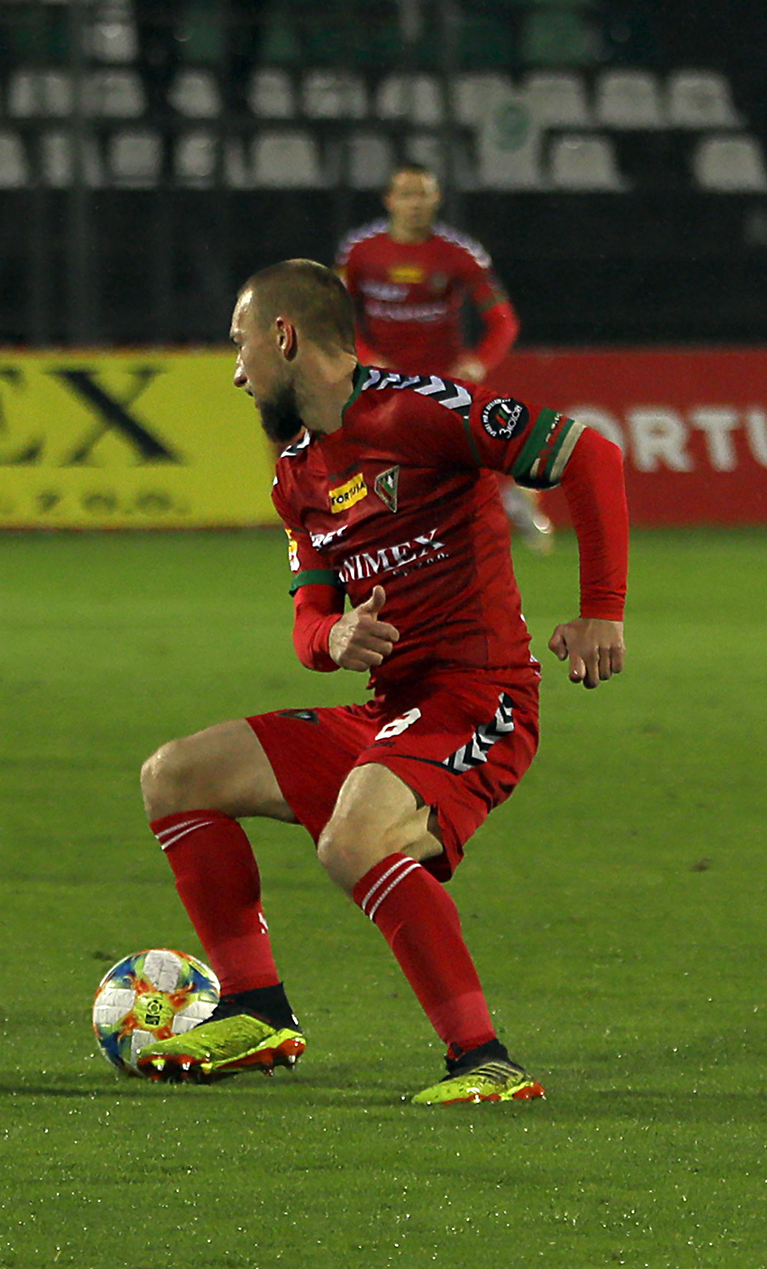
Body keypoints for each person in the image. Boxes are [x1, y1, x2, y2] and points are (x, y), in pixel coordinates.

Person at [131, 259, 627, 1105]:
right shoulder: (297, 474)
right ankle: (256, 1011)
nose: (237, 371)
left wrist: (600, 611)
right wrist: (334, 635)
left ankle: (484, 1060)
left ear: (284, 335)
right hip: (392, 713)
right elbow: (309, 623)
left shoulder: (420, 411)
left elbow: (592, 453)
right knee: (175, 775)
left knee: (353, 839)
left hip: (483, 699)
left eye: (240, 345)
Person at [337, 163, 552, 548]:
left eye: (423, 194)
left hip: (442, 380)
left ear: (437, 198)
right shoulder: (359, 252)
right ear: (389, 200)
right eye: (406, 194)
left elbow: (504, 321)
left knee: (474, 452)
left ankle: (513, 501)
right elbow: (337, 314)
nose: (415, 204)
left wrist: (479, 362)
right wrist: (366, 357)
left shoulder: (460, 254)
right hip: (382, 376)